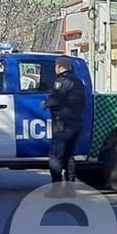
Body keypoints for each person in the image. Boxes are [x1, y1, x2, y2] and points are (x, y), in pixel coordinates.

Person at [44, 56, 87, 191]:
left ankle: (56, 189)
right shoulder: (78, 81)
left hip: (62, 124)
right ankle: (70, 188)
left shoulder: (62, 81)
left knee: (56, 156)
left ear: (58, 67)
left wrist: (45, 104)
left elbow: (55, 99)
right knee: (69, 156)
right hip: (76, 123)